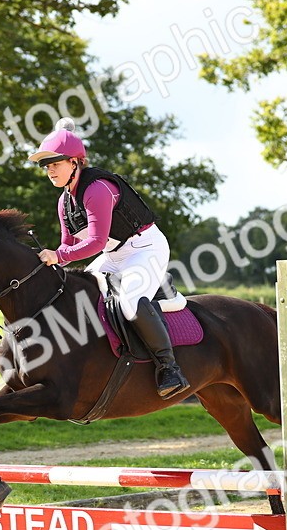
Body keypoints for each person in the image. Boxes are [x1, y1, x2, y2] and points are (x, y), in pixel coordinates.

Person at [28, 118, 190, 399]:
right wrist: (45, 265)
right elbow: (67, 246)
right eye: (46, 165)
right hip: (113, 256)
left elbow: (95, 242)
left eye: (55, 163)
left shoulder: (97, 189)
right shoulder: (64, 201)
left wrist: (58, 256)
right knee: (78, 294)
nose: (49, 170)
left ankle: (169, 367)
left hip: (145, 249)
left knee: (128, 304)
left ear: (75, 162)